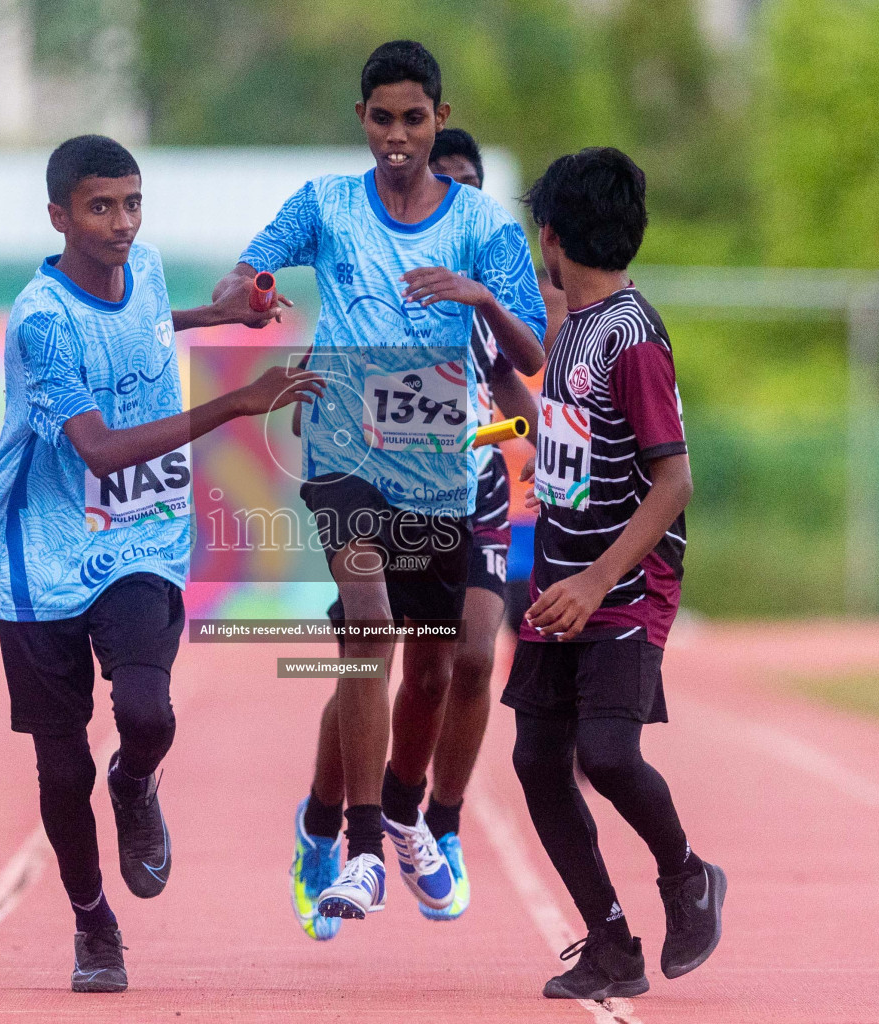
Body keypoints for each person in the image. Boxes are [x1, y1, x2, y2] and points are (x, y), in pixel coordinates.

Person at [0, 135, 322, 993]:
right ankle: (94, 925)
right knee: (61, 767)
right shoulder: (39, 321)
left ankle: (135, 783)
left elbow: (141, 324)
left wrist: (224, 317)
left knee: (147, 711)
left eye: (133, 203)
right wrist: (239, 400)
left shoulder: (152, 266)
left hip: (142, 537)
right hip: (42, 555)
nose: (122, 223)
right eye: (101, 207)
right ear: (59, 215)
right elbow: (95, 449)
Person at [217, 40, 546, 929]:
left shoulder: (485, 229)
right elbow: (249, 271)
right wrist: (250, 293)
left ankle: (407, 819)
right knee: (368, 622)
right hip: (345, 454)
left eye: (415, 119)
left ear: (440, 118)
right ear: (362, 119)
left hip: (453, 468)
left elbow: (530, 359)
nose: (399, 137)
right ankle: (363, 846)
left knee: (446, 669)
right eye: (383, 119)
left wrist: (479, 297)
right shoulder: (326, 203)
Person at [301, 127, 542, 935]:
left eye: (464, 190)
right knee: (368, 647)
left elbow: (511, 375)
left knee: (465, 661)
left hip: (470, 489)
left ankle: (431, 820)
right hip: (379, 488)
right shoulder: (382, 279)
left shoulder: (483, 273)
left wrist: (556, 450)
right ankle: (324, 827)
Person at [505, 148, 726, 1001]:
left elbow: (674, 480)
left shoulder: (630, 337)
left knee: (604, 752)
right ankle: (608, 943)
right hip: (560, 579)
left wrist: (596, 580)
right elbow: (566, 448)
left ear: (552, 236)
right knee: (535, 759)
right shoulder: (574, 333)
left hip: (622, 585)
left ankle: (686, 877)